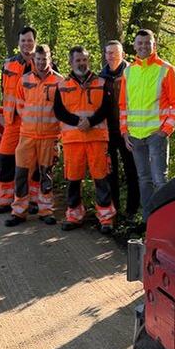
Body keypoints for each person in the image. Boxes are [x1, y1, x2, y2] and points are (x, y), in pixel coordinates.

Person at [118, 29, 175, 211]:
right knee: (144, 179)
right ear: (134, 46)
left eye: (147, 43)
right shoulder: (129, 72)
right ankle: (148, 222)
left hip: (157, 135)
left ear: (154, 44)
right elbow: (123, 106)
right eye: (140, 43)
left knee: (159, 180)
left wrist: (165, 131)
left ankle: (163, 223)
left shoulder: (166, 70)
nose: (143, 46)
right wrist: (124, 133)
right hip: (135, 137)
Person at [54, 46, 116, 234]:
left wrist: (90, 122)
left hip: (97, 138)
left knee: (101, 178)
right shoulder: (62, 85)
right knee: (73, 179)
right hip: (72, 140)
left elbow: (107, 108)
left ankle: (105, 218)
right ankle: (74, 215)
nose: (82, 63)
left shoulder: (101, 82)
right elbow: (59, 111)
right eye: (78, 60)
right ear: (70, 62)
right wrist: (77, 122)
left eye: (84, 60)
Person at [5, 44, 63, 227]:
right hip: (27, 135)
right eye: (37, 59)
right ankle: (19, 211)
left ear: (50, 59)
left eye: (44, 59)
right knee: (21, 174)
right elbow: (20, 105)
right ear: (33, 60)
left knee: (46, 175)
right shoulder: (24, 80)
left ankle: (45, 210)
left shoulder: (60, 81)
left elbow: (63, 110)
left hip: (49, 136)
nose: (40, 62)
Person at [0, 26, 40, 216]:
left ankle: (33, 200)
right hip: (13, 121)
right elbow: (5, 91)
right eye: (23, 41)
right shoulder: (8, 64)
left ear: (35, 42)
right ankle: (5, 201)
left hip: (35, 123)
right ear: (18, 43)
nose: (27, 44)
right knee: (5, 159)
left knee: (33, 162)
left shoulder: (44, 64)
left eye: (30, 40)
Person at [99, 40, 140, 219]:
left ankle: (132, 210)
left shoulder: (132, 72)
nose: (111, 56)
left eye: (115, 52)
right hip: (107, 132)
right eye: (108, 53)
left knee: (132, 171)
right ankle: (113, 209)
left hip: (128, 131)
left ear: (122, 54)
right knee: (110, 172)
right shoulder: (101, 77)